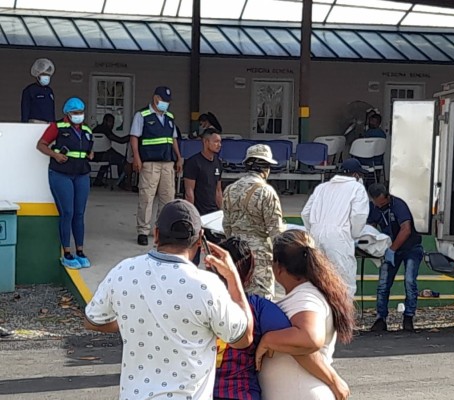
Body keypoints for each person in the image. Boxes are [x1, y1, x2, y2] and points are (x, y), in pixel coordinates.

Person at [84, 199, 254, 400]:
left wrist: (136, 321)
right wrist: (232, 276)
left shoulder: (123, 271)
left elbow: (93, 320)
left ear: (156, 234)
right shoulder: (207, 286)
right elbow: (244, 338)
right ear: (200, 239)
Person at [214, 237, 349, 400]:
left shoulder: (194, 303)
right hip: (239, 392)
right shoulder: (260, 308)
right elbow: (300, 345)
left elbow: (303, 340)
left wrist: (269, 339)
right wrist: (333, 380)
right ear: (250, 274)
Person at [255, 230, 355, 400]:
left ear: (278, 267)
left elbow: (309, 338)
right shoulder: (304, 295)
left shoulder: (305, 297)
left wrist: (268, 340)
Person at [36, 97, 94, 269]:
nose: (79, 116)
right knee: (67, 212)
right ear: (68, 113)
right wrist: (55, 155)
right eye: (75, 113)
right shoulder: (57, 127)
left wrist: (90, 154)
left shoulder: (86, 130)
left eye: (81, 112)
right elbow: (41, 145)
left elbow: (89, 148)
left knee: (79, 213)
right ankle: (67, 252)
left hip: (82, 174)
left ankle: (80, 251)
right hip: (61, 174)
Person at [301, 158, 370, 299]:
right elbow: (359, 215)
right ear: (356, 175)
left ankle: (321, 317)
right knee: (344, 281)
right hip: (339, 235)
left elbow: (305, 213)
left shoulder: (322, 187)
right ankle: (342, 319)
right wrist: (353, 235)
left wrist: (313, 229)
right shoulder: (357, 188)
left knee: (319, 278)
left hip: (316, 234)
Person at [222, 144, 285, 300]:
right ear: (265, 168)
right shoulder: (266, 192)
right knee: (261, 301)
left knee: (236, 298)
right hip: (259, 256)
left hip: (236, 253)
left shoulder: (230, 189)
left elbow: (227, 226)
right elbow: (276, 231)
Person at [130, 86, 184, 246]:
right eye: (163, 100)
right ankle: (143, 231)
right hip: (150, 162)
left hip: (168, 163)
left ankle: (162, 230)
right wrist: (136, 158)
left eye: (168, 101)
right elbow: (134, 137)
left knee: (168, 198)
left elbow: (173, 139)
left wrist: (179, 157)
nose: (166, 104)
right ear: (155, 99)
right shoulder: (142, 115)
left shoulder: (169, 117)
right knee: (146, 198)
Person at [367, 183, 423, 332]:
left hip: (410, 247)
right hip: (389, 246)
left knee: (410, 281)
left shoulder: (398, 205)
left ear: (388, 197)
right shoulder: (374, 208)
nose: (381, 206)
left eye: (383, 203)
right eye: (378, 204)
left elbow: (406, 229)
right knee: (383, 284)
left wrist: (392, 249)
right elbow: (370, 227)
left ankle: (408, 317)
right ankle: (380, 318)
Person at [184, 127, 223, 265]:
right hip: (199, 214)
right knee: (194, 252)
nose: (219, 144)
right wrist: (192, 215)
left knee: (217, 253)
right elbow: (189, 191)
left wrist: (222, 212)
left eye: (220, 141)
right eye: (216, 141)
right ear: (206, 142)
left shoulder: (218, 162)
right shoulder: (193, 162)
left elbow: (218, 190)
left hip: (213, 215)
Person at [92, 113, 132, 188]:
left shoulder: (95, 129)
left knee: (107, 160)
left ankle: (98, 180)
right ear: (104, 121)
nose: (112, 125)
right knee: (123, 161)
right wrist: (132, 137)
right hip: (105, 155)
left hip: (94, 155)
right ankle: (122, 182)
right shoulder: (106, 130)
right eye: (110, 122)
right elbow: (120, 140)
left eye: (113, 122)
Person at [21, 58, 56, 123]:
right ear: (38, 75)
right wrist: (25, 125)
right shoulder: (30, 90)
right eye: (44, 74)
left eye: (48, 75)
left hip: (49, 124)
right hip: (35, 123)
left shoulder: (49, 91)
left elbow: (52, 111)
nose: (46, 77)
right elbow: (25, 110)